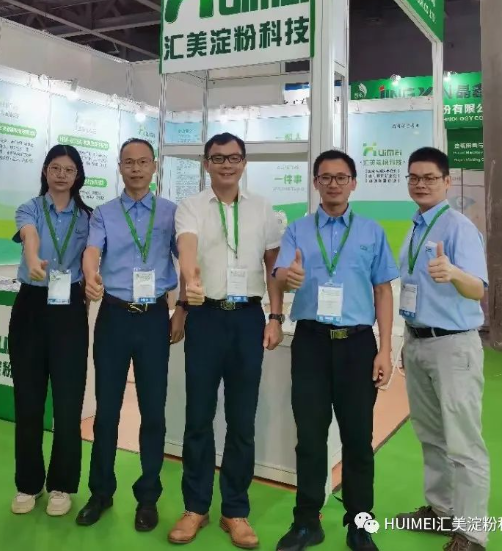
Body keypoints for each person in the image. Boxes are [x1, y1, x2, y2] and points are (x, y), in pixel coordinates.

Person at [273, 150, 398, 551]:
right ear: (315, 183)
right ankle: (307, 522)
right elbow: (279, 275)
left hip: (358, 345)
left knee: (358, 439)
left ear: (353, 183)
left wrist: (385, 349)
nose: (333, 184)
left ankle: (360, 525)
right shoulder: (297, 230)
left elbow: (383, 291)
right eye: (325, 177)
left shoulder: (371, 232)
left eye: (341, 177)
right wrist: (289, 276)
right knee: (310, 438)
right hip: (310, 343)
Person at [168, 132, 283, 549]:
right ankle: (195, 507)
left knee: (242, 419)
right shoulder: (191, 206)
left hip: (248, 319)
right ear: (206, 164)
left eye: (234, 158)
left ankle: (235, 510)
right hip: (206, 317)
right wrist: (190, 277)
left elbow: (273, 268)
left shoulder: (263, 209)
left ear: (244, 162)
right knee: (198, 416)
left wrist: (276, 316)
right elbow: (187, 246)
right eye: (218, 158)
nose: (226, 165)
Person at [76, 138, 185, 532]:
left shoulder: (171, 213)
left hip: (154, 318)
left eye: (142, 162)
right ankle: (100, 493)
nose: (136, 169)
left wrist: (182, 308)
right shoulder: (104, 213)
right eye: (128, 162)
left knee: (153, 412)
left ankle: (148, 497)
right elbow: (92, 251)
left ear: (154, 166)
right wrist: (91, 275)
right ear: (119, 167)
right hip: (114, 317)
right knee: (106, 411)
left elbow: (188, 259)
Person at [395, 147, 490, 551]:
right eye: (414, 177)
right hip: (419, 341)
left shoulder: (458, 228)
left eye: (430, 178)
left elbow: (478, 288)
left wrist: (453, 273)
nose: (421, 184)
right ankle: (442, 511)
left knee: (464, 443)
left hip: (453, 346)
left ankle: (472, 532)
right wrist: (407, 340)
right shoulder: (416, 226)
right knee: (431, 434)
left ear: (447, 182)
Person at [10, 144, 92, 517]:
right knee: (28, 401)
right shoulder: (29, 207)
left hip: (69, 308)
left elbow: (91, 258)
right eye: (55, 168)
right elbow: (30, 236)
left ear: (78, 176)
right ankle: (28, 484)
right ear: (45, 171)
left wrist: (93, 280)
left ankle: (62, 484)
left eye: (69, 169)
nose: (61, 175)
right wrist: (32, 259)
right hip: (31, 305)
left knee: (68, 401)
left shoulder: (88, 217)